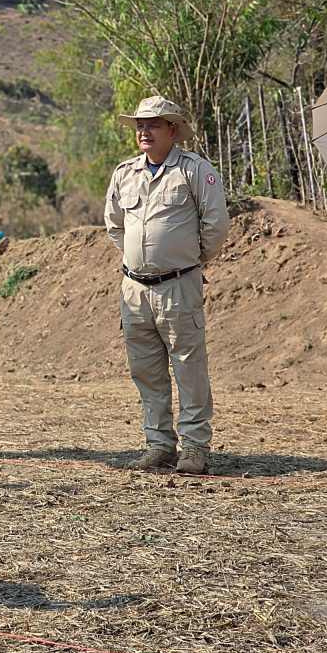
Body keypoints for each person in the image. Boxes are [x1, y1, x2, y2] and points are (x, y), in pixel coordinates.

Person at [104, 96, 230, 474]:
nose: (144, 131)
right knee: (146, 370)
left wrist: (186, 261)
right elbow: (114, 225)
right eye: (140, 125)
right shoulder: (125, 173)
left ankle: (194, 447)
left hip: (178, 285)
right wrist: (140, 259)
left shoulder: (195, 170)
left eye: (153, 125)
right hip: (134, 289)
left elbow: (215, 226)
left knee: (189, 367)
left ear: (172, 130)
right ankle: (158, 444)